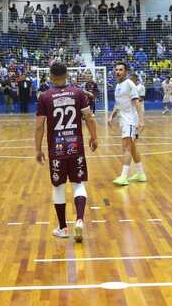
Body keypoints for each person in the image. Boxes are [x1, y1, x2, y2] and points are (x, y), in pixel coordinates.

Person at [35, 62, 98, 242]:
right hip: (75, 146)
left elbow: (40, 125)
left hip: (57, 148)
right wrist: (94, 137)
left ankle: (63, 227)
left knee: (58, 186)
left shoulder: (45, 96)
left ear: (51, 76)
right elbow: (89, 117)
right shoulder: (78, 93)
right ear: (67, 75)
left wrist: (38, 149)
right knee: (78, 183)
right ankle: (79, 219)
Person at [108, 62, 145, 186]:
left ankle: (124, 176)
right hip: (122, 119)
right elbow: (118, 104)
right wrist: (111, 116)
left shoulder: (129, 84)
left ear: (126, 71)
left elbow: (137, 102)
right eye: (116, 69)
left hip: (130, 119)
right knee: (132, 147)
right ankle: (140, 173)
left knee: (127, 146)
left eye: (121, 70)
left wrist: (141, 120)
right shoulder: (118, 85)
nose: (118, 72)